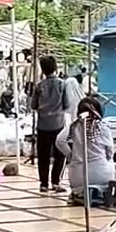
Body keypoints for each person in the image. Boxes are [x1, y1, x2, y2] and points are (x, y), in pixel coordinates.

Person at [57, 97, 115, 201]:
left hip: (78, 177)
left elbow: (60, 141)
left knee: (78, 183)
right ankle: (100, 193)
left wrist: (71, 156)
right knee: (112, 163)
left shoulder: (73, 127)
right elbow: (110, 152)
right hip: (101, 175)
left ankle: (79, 193)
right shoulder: (103, 128)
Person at [33, 55, 71, 193]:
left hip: (42, 125)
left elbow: (33, 105)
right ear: (55, 67)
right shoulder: (62, 84)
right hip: (58, 124)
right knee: (59, 155)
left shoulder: (38, 86)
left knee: (43, 156)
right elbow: (67, 104)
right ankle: (56, 183)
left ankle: (43, 184)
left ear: (42, 70)